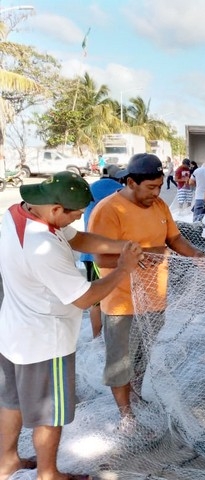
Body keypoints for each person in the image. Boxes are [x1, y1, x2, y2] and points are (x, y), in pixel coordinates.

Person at [0, 171, 144, 480]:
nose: (79, 219)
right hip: (44, 344)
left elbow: (78, 238)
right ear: (55, 210)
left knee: (12, 400)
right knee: (50, 414)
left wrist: (120, 246)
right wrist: (123, 269)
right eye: (75, 214)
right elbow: (84, 298)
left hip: (13, 334)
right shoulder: (44, 246)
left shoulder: (18, 214)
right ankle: (49, 473)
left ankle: (7, 461)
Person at [89, 153, 205, 424]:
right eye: (150, 188)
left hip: (155, 298)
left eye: (159, 186)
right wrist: (145, 253)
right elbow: (100, 256)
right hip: (122, 302)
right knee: (121, 362)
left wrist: (197, 255)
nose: (156, 193)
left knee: (142, 357)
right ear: (131, 182)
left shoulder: (159, 206)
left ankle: (137, 397)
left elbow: (174, 238)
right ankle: (126, 414)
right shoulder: (108, 210)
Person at [80, 164, 124, 338]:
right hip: (104, 254)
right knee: (106, 297)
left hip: (88, 252)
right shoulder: (118, 189)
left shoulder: (91, 187)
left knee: (95, 298)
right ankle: (105, 338)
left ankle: (96, 336)